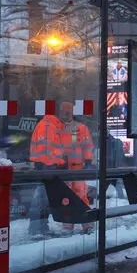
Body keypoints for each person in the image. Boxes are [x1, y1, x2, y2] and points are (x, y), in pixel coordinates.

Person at [28, 101, 95, 236]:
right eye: (64, 110)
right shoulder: (56, 128)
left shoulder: (79, 127)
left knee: (80, 196)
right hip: (62, 168)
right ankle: (68, 226)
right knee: (66, 198)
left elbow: (87, 145)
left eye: (68, 110)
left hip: (74, 168)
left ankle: (86, 225)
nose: (66, 113)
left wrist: (88, 160)